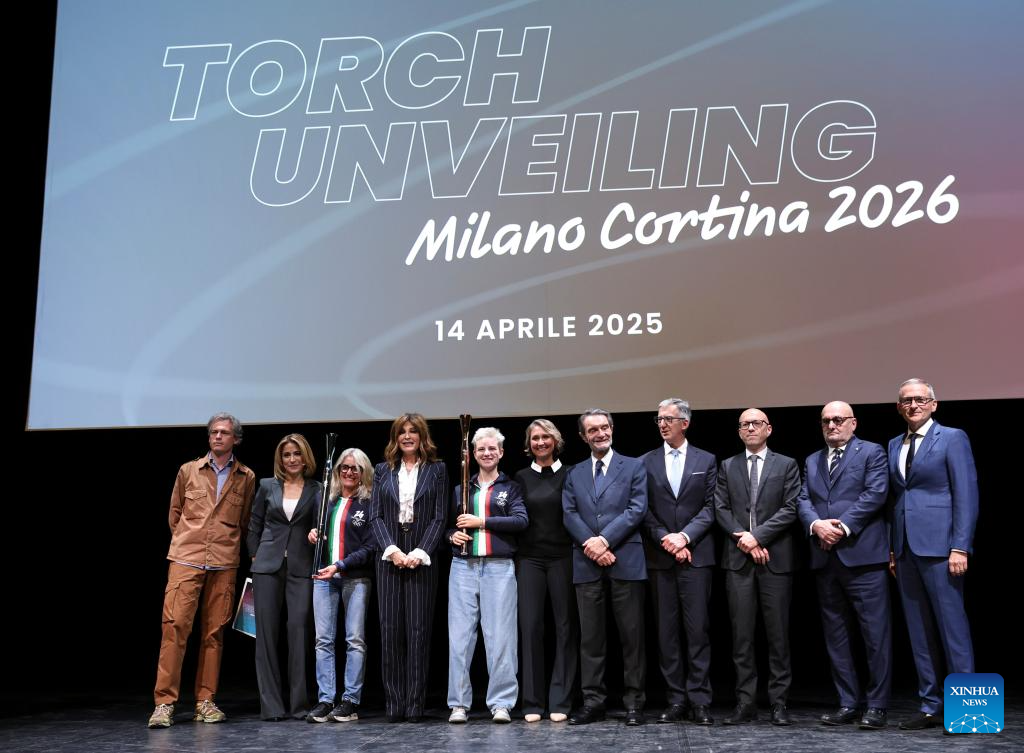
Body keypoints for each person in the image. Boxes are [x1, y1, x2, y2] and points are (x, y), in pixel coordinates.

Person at [148, 413, 256, 729]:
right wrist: (189, 542)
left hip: (224, 562)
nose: (218, 436)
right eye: (213, 432)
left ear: (236, 439)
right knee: (174, 629)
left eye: (224, 433)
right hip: (186, 559)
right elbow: (175, 514)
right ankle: (164, 703)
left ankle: (205, 702)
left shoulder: (246, 476)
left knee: (214, 633)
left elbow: (245, 520)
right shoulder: (189, 470)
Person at [888, 378, 979, 731]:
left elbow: (966, 494)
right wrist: (892, 548)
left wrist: (960, 546)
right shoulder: (894, 443)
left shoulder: (952, 438)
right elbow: (897, 499)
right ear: (899, 407)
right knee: (919, 633)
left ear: (933, 404)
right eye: (906, 401)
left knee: (953, 630)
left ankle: (967, 711)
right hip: (905, 549)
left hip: (942, 548)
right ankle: (930, 706)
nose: (913, 405)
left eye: (920, 399)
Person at [796, 402, 891, 730]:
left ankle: (877, 705)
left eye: (838, 419)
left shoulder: (872, 452)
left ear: (853, 423)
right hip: (825, 559)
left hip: (863, 557)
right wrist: (816, 525)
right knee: (836, 635)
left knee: (875, 635)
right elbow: (803, 499)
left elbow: (875, 494)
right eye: (826, 421)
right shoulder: (812, 459)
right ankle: (848, 702)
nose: (832, 425)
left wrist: (840, 528)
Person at [714, 408, 800, 726]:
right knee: (742, 637)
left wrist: (758, 537)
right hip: (738, 561)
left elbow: (791, 507)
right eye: (744, 424)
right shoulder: (727, 465)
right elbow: (720, 507)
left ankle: (779, 703)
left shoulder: (787, 464)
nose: (750, 428)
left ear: (768, 429)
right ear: (739, 431)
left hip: (775, 560)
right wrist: (745, 539)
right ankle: (745, 701)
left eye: (756, 423)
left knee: (778, 637)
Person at [562, 409, 648, 726]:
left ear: (612, 429)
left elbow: (637, 509)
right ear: (583, 437)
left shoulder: (634, 466)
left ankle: (634, 704)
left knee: (632, 638)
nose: (600, 434)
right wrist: (592, 545)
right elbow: (569, 513)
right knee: (591, 639)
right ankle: (593, 702)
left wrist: (605, 541)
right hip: (587, 562)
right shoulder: (574, 472)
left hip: (626, 559)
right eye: (592, 430)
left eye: (604, 427)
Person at [369, 413, 449, 722]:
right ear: (395, 437)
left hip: (422, 553)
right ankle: (394, 704)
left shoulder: (437, 470)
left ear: (422, 436)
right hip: (389, 555)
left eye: (413, 431)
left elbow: (440, 517)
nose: (407, 436)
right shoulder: (382, 470)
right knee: (390, 632)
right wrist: (392, 551)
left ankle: (415, 705)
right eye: (401, 431)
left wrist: (420, 551)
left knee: (418, 632)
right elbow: (375, 516)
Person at [446, 427, 528, 724]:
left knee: (501, 638)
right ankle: (458, 704)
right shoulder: (462, 489)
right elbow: (448, 527)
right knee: (460, 638)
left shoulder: (511, 487)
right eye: (481, 449)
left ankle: (501, 703)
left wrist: (481, 522)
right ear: (473, 454)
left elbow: (520, 521)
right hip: (463, 567)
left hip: (498, 567)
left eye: (492, 448)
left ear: (501, 452)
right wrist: (452, 536)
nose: (487, 453)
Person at [642, 399, 717, 726]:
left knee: (697, 630)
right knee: (666, 633)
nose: (662, 424)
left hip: (696, 556)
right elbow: (643, 509)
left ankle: (700, 700)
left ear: (684, 423)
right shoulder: (645, 461)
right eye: (659, 419)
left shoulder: (706, 459)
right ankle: (675, 699)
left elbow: (712, 507)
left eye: (668, 419)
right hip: (661, 557)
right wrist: (667, 540)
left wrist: (684, 538)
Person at [247, 434, 321, 721]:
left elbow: (319, 526)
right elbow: (254, 524)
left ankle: (299, 705)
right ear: (280, 459)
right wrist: (255, 556)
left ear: (305, 458)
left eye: (297, 454)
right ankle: (271, 706)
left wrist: (317, 534)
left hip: (301, 567)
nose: (292, 459)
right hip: (267, 567)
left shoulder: (318, 488)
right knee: (265, 636)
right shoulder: (267, 485)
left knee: (299, 632)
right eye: (287, 454)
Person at [514, 419, 578, 723]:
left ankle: (561, 700)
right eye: (535, 438)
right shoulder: (520, 477)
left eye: (546, 437)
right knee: (530, 628)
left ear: (556, 440)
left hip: (563, 557)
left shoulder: (571, 474)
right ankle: (532, 702)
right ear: (529, 443)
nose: (540, 442)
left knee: (565, 628)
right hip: (529, 560)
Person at [308, 448, 376, 723]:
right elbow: (320, 532)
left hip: (355, 577)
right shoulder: (326, 498)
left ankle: (350, 701)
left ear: (364, 472)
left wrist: (340, 565)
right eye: (344, 468)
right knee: (323, 640)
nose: (349, 472)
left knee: (354, 640)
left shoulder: (369, 503)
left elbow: (370, 547)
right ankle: (326, 700)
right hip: (324, 579)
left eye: (355, 468)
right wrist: (314, 533)